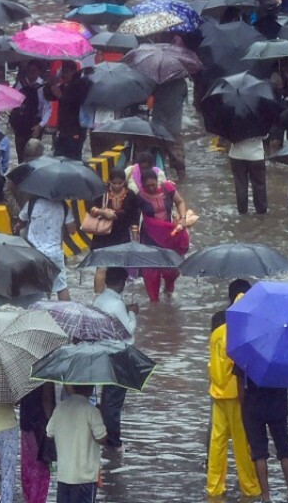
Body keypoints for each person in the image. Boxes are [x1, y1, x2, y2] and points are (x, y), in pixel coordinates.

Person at [208, 285, 261, 498]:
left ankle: (214, 487)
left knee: (217, 443)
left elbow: (212, 365)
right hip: (236, 396)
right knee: (242, 445)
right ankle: (250, 487)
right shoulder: (240, 335)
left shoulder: (217, 332)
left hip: (217, 393)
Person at [238, 358, 288, 503]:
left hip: (254, 407)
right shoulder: (282, 354)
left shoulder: (247, 351)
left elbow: (240, 385)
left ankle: (266, 497)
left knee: (259, 453)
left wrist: (242, 409)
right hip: (278, 407)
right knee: (284, 450)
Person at [93, 267, 138, 448]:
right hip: (119, 355)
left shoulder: (98, 300)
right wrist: (133, 313)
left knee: (107, 398)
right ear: (121, 283)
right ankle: (113, 442)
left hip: (103, 353)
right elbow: (128, 330)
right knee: (114, 401)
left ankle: (106, 436)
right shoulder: (117, 304)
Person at [46, 384, 108, 503]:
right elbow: (102, 438)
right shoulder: (92, 410)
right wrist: (102, 416)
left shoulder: (60, 408)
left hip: (64, 475)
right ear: (90, 389)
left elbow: (49, 433)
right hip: (85, 478)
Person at [136, 168, 192, 301]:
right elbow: (134, 215)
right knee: (151, 272)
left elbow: (180, 202)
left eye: (153, 185)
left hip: (168, 234)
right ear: (142, 185)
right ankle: (154, 302)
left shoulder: (167, 188)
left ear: (157, 181)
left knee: (172, 269)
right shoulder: (140, 197)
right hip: (149, 237)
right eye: (147, 186)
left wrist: (183, 218)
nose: (151, 188)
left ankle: (168, 290)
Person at [18, 191, 76, 301]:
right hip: (54, 252)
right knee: (61, 287)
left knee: (37, 287)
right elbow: (72, 230)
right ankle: (67, 314)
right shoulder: (62, 205)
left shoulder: (31, 203)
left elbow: (21, 220)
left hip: (34, 253)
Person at [10, 61, 52, 162]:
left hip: (35, 126)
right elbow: (12, 103)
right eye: (29, 70)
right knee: (21, 156)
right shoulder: (20, 85)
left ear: (39, 72)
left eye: (34, 70)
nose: (32, 73)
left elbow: (48, 109)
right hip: (20, 125)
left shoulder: (43, 87)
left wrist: (40, 126)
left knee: (34, 157)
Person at [20, 383, 55, 503]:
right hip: (40, 426)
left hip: (25, 423)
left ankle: (29, 498)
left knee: (28, 466)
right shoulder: (45, 370)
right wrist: (51, 423)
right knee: (40, 469)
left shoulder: (21, 370)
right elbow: (47, 399)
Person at [89, 168, 141, 248]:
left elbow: (135, 215)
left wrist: (135, 235)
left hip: (122, 233)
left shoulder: (130, 195)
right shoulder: (102, 192)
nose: (117, 186)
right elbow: (90, 207)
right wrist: (102, 212)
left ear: (124, 181)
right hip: (103, 233)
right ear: (109, 181)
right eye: (114, 183)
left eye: (120, 183)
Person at [52, 63, 90, 160]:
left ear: (73, 72)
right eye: (62, 72)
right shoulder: (66, 85)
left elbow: (74, 104)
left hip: (74, 130)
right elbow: (49, 95)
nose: (63, 75)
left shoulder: (80, 85)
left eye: (66, 72)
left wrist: (61, 96)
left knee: (73, 159)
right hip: (63, 131)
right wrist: (52, 83)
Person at [228, 135, 268, 216]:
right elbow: (265, 136)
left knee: (240, 185)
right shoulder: (259, 122)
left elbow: (229, 137)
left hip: (236, 156)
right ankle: (261, 212)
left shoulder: (233, 122)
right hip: (256, 156)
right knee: (259, 186)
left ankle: (242, 211)